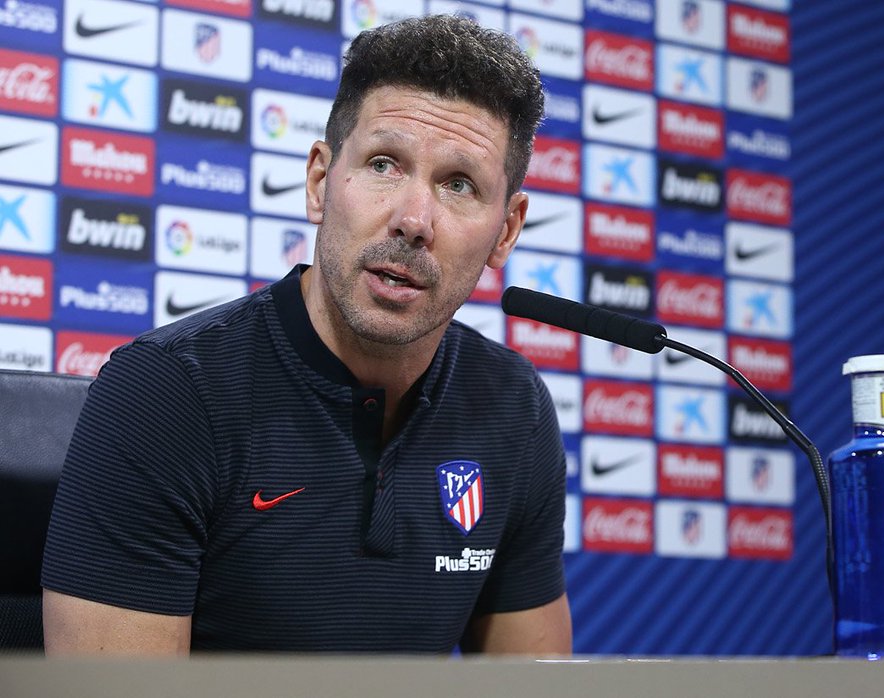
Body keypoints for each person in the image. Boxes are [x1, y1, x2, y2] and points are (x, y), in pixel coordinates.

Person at [40, 14, 571, 655]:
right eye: (383, 164)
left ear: (506, 232)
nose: (413, 220)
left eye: (459, 184)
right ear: (320, 183)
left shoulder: (515, 408)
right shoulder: (166, 395)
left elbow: (535, 684)